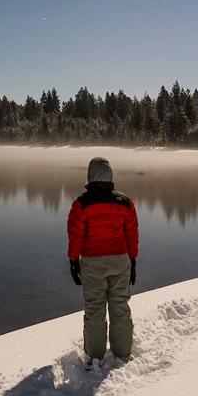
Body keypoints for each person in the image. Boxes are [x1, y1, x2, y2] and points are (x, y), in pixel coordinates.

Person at [66, 156, 138, 367]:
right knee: (120, 306)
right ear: (110, 175)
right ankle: (122, 354)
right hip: (120, 260)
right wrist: (133, 260)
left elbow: (75, 235)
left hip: (92, 262)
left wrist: (73, 260)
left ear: (90, 175)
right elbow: (132, 234)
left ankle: (94, 357)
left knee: (95, 309)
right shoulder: (125, 203)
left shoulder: (82, 204)